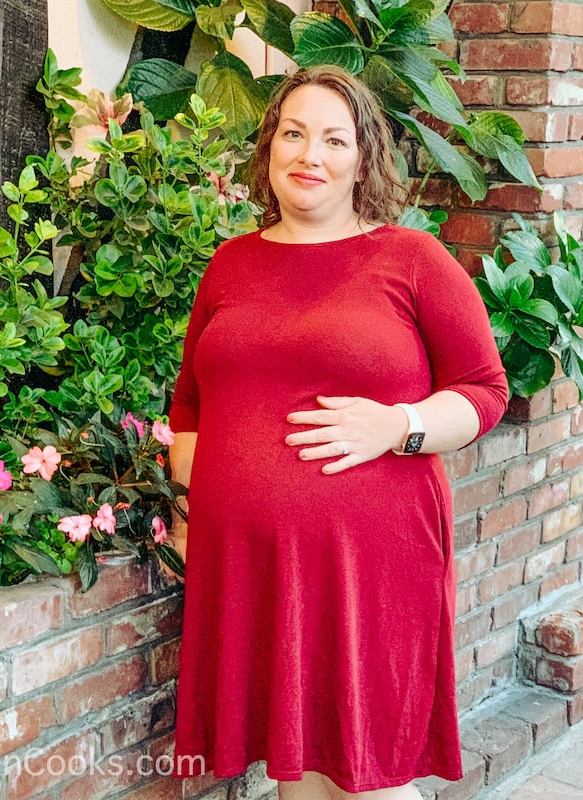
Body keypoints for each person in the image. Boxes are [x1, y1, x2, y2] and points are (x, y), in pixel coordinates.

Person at [167, 65, 508, 800]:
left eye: (333, 139)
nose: (309, 155)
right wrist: (190, 509)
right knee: (299, 768)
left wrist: (401, 424)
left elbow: (485, 392)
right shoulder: (232, 263)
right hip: (255, 569)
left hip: (372, 566)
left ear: (363, 158)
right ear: (269, 148)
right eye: (293, 134)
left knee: (366, 775)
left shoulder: (413, 260)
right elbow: (191, 402)